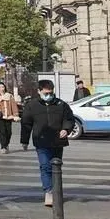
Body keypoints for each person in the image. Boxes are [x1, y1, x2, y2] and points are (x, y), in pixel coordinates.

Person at [21, 79, 75, 207]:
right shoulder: (32, 105)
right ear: (39, 91)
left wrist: (66, 129)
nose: (48, 95)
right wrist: (24, 141)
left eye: (50, 93)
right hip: (41, 140)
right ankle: (49, 191)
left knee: (56, 167)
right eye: (45, 93)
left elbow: (69, 119)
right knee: (45, 166)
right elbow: (26, 124)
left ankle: (56, 191)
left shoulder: (61, 104)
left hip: (58, 141)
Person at [0, 82, 19, 154]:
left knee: (9, 132)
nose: (2, 89)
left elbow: (14, 106)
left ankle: (6, 144)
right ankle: (3, 147)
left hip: (9, 116)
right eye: (0, 87)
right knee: (3, 132)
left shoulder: (9, 96)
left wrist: (16, 115)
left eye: (3, 87)